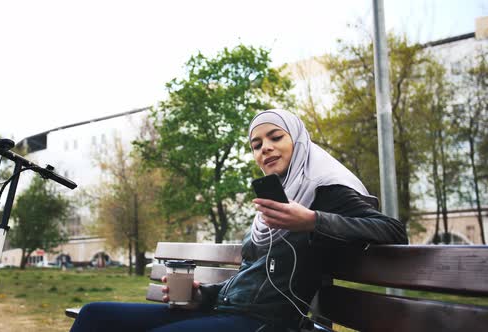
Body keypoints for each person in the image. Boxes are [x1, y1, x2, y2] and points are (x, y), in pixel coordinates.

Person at [70, 109, 408, 332]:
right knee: (94, 315)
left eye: (277, 137)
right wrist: (203, 294)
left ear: (299, 142)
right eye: (257, 144)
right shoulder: (278, 197)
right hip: (224, 310)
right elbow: (252, 274)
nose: (266, 149)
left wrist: (312, 220)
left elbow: (393, 231)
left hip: (265, 322)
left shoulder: (324, 190)